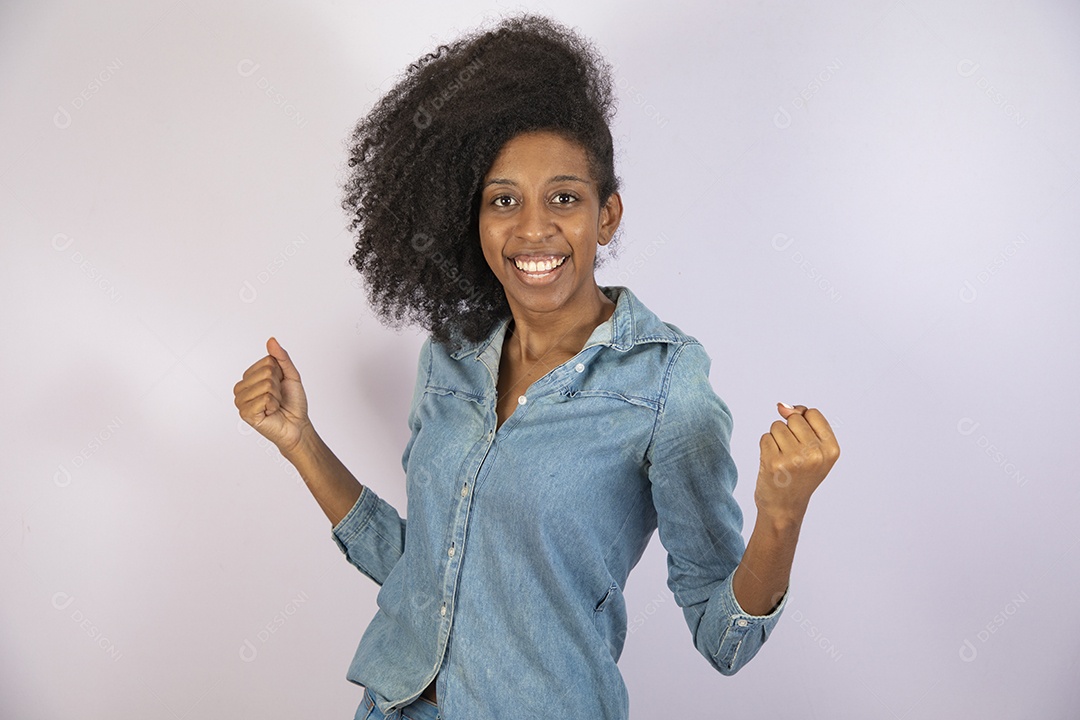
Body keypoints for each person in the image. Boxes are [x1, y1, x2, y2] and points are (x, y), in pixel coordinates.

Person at [233, 14, 840, 720]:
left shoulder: (664, 383)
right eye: (503, 201)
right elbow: (423, 571)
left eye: (564, 198)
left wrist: (782, 514)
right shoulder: (451, 354)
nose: (532, 230)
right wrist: (299, 441)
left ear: (606, 216)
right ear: (475, 218)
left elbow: (723, 638)